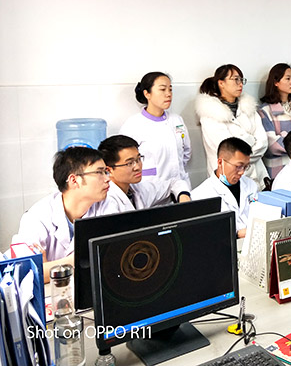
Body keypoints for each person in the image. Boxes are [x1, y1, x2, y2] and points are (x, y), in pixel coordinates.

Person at [12, 147, 111, 279]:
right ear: (74, 180)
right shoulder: (37, 217)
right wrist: (77, 260)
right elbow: (28, 273)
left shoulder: (107, 206)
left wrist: (50, 267)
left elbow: (111, 260)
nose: (108, 178)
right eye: (99, 172)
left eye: (106, 172)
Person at [196, 64, 268, 190]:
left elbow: (263, 142)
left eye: (241, 80)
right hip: (228, 179)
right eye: (235, 79)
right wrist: (251, 139)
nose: (240, 84)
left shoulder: (249, 108)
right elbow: (229, 151)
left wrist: (242, 148)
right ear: (221, 83)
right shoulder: (210, 113)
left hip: (258, 176)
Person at [120, 72, 192, 195]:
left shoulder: (177, 120)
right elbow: (125, 161)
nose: (168, 94)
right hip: (150, 191)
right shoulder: (133, 125)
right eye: (162, 89)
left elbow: (186, 153)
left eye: (170, 89)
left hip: (180, 189)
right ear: (147, 94)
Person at [98, 135, 191, 213]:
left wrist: (183, 196)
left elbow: (174, 183)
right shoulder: (107, 202)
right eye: (129, 163)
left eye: (138, 159)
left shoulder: (136, 189)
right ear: (109, 170)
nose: (138, 167)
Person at [191, 137, 258, 238]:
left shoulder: (251, 185)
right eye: (238, 166)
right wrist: (236, 235)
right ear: (220, 162)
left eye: (246, 167)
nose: (242, 172)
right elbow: (204, 235)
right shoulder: (200, 195)